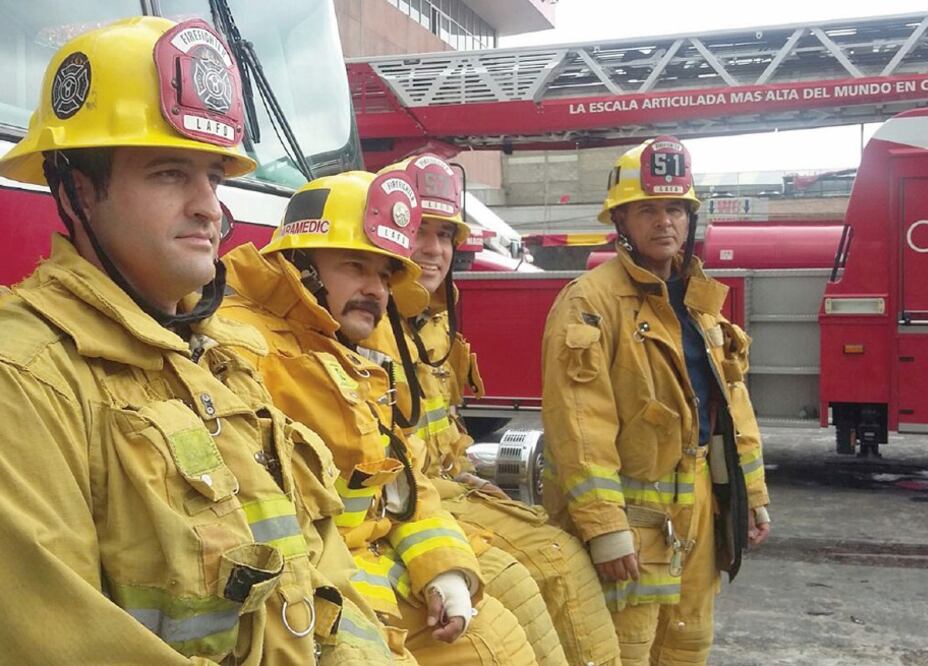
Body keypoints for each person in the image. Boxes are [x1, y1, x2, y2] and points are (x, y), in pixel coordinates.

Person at [0, 16, 394, 664]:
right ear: (76, 189)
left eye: (212, 176)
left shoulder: (219, 356)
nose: (209, 206)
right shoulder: (25, 380)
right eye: (167, 174)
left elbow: (322, 568)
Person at [219, 170, 538, 665]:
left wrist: (445, 570)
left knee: (502, 641)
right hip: (322, 608)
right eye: (355, 266)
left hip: (382, 580)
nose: (377, 290)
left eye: (385, 276)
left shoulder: (345, 351)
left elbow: (401, 479)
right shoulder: (243, 349)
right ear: (299, 263)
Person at [367, 153, 622, 666]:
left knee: (559, 558)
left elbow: (443, 426)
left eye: (445, 236)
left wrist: (464, 471)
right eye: (421, 231)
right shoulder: (364, 326)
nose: (435, 250)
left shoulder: (436, 322)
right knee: (542, 570)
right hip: (412, 508)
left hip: (449, 491)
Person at [541, 136, 772, 665]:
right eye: (647, 210)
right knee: (622, 652)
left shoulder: (700, 303)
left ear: (690, 219)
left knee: (687, 647)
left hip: (699, 520)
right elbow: (579, 425)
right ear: (621, 222)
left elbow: (731, 409)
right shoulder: (590, 302)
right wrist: (604, 528)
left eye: (674, 209)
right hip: (634, 528)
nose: (663, 222)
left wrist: (751, 493)